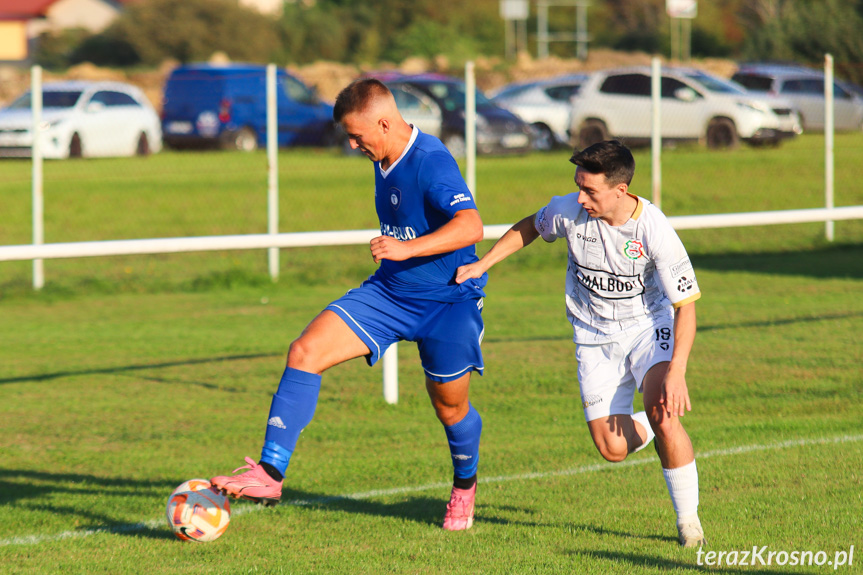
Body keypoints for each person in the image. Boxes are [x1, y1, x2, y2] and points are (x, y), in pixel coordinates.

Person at [211, 78, 488, 531]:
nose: (353, 144)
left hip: (447, 303)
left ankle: (464, 487)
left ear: (384, 121)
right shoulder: (384, 156)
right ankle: (270, 474)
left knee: (450, 408)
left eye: (358, 135)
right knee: (304, 352)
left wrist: (408, 249)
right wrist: (401, 257)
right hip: (390, 294)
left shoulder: (431, 161)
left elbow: (472, 225)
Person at [455, 140, 706, 547]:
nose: (581, 197)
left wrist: (677, 371)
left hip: (647, 329)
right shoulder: (567, 211)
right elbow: (530, 227)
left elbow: (687, 306)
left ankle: (689, 524)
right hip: (592, 337)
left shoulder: (653, 229)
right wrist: (483, 264)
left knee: (663, 410)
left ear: (620, 190)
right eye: (578, 186)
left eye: (590, 190)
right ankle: (650, 423)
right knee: (612, 449)